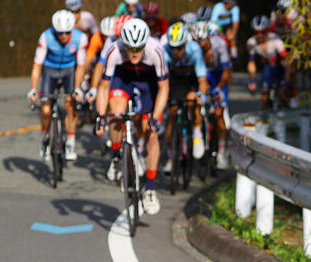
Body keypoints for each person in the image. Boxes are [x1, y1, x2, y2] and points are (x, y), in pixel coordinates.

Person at [96, 18, 168, 215]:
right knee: (116, 113)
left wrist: (156, 117)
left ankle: (151, 189)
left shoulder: (156, 51)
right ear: (123, 43)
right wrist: (101, 117)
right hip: (123, 78)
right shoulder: (114, 50)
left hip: (148, 83)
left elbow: (164, 88)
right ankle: (116, 157)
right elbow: (103, 87)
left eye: (139, 48)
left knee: (151, 132)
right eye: (130, 47)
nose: (134, 52)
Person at [28, 10, 88, 161]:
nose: (64, 36)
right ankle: (45, 140)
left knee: (70, 104)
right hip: (50, 70)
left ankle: (71, 143)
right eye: (60, 33)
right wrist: (34, 89)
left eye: (67, 33)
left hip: (69, 70)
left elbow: (81, 66)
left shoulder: (80, 38)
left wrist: (77, 89)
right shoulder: (46, 37)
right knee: (46, 109)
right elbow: (37, 65)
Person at [162, 21, 209, 174]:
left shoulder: (195, 50)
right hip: (176, 80)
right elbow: (163, 78)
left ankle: (196, 134)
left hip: (191, 80)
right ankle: (170, 157)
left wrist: (201, 95)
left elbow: (202, 79)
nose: (176, 52)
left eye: (180, 48)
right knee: (173, 112)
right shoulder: (165, 51)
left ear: (186, 44)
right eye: (173, 48)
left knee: (192, 102)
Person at [193, 20, 232, 169]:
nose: (201, 44)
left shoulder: (219, 45)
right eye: (198, 41)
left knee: (218, 113)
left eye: (203, 40)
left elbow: (226, 71)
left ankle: (222, 151)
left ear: (209, 37)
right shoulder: (196, 49)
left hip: (219, 76)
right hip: (204, 76)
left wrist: (219, 88)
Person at [246, 15, 288, 111]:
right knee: (264, 91)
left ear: (267, 31)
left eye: (262, 32)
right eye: (256, 32)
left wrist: (286, 82)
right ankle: (263, 112)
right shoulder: (251, 42)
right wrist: (252, 79)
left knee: (282, 94)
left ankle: (290, 106)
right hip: (268, 68)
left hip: (281, 67)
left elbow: (287, 62)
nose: (259, 35)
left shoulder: (276, 41)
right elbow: (251, 62)